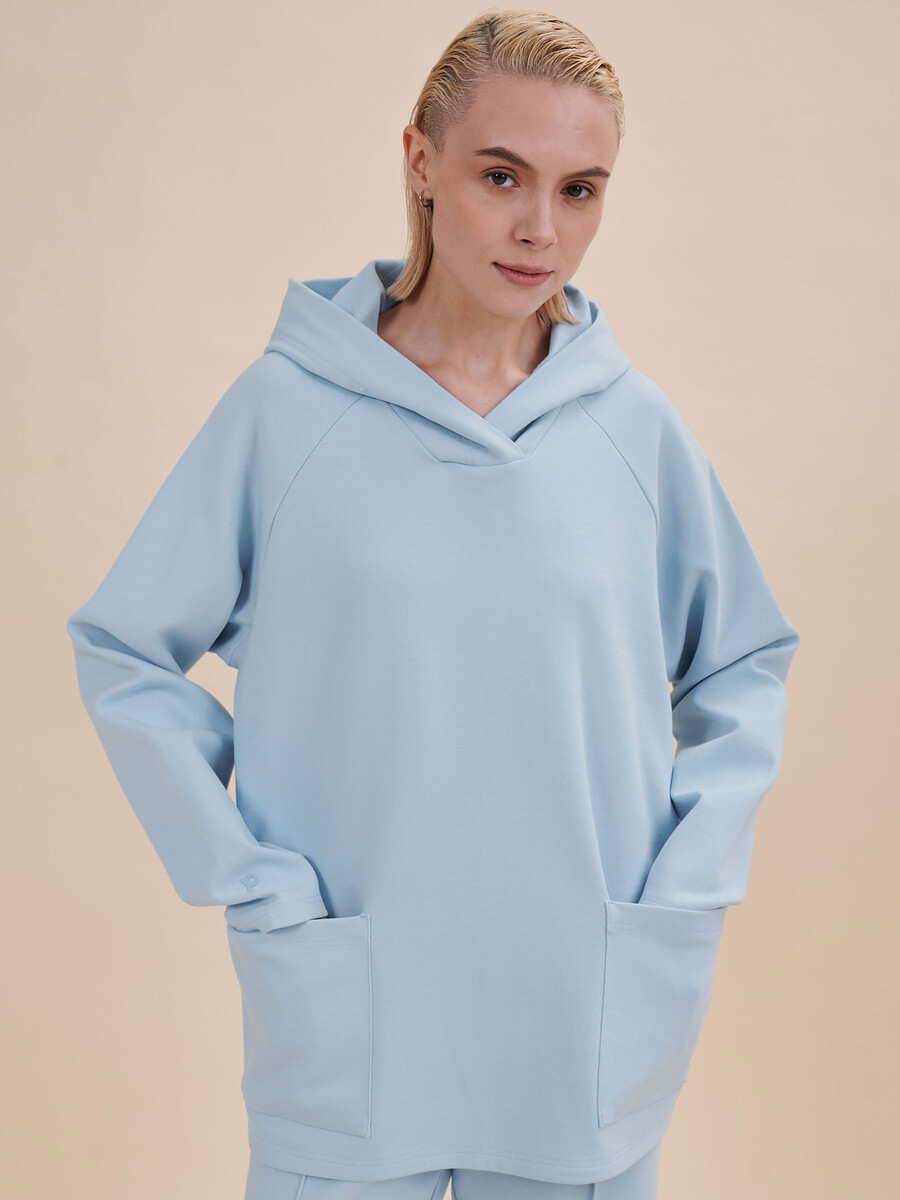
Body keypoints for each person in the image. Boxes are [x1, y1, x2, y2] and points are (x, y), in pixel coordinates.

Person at [65, 9, 801, 1200]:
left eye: (580, 190)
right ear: (420, 161)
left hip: (581, 1019)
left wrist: (688, 885)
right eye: (501, 176)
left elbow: (743, 664)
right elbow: (125, 649)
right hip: (355, 1016)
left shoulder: (634, 431)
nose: (540, 228)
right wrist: (251, 875)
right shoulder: (286, 414)